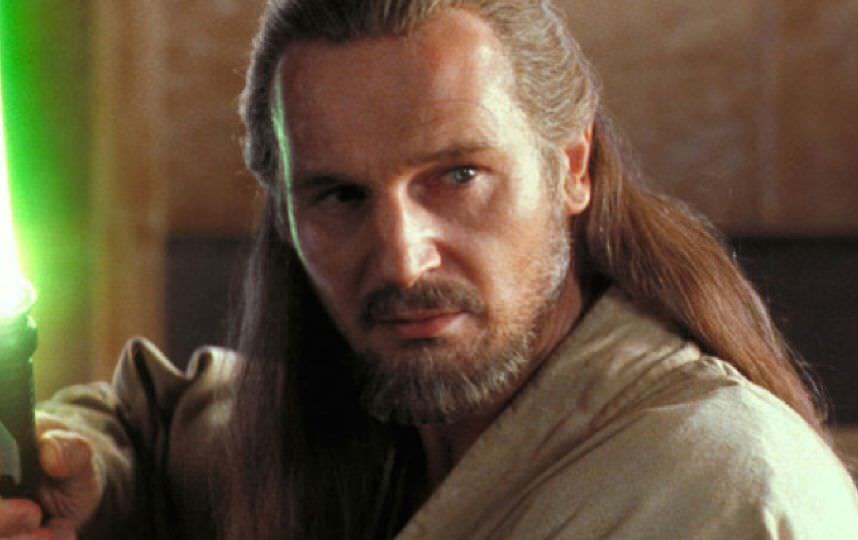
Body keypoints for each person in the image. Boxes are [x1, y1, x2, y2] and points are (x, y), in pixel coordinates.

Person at [2, 1, 857, 538]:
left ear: (572, 169)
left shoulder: (721, 496)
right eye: (340, 196)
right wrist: (83, 476)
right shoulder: (366, 422)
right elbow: (153, 425)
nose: (403, 258)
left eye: (458, 177)